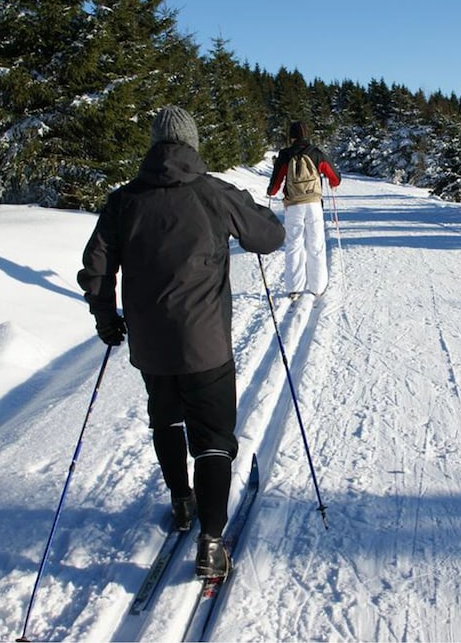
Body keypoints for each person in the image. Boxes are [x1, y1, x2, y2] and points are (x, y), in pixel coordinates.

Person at [77, 105, 285, 580]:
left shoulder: (124, 200)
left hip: (150, 345)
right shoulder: (213, 192)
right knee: (212, 440)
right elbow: (269, 237)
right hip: (206, 343)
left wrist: (106, 318)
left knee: (166, 420)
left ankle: (181, 502)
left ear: (153, 145)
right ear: (191, 144)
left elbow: (97, 268)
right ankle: (211, 541)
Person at [266, 121, 341, 298]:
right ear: (306, 135)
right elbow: (335, 177)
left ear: (291, 136)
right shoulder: (316, 153)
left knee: (294, 245)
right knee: (316, 246)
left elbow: (275, 184)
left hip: (293, 206)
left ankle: (294, 288)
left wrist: (271, 192)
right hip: (314, 205)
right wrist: (332, 182)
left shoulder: (285, 154)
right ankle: (318, 287)